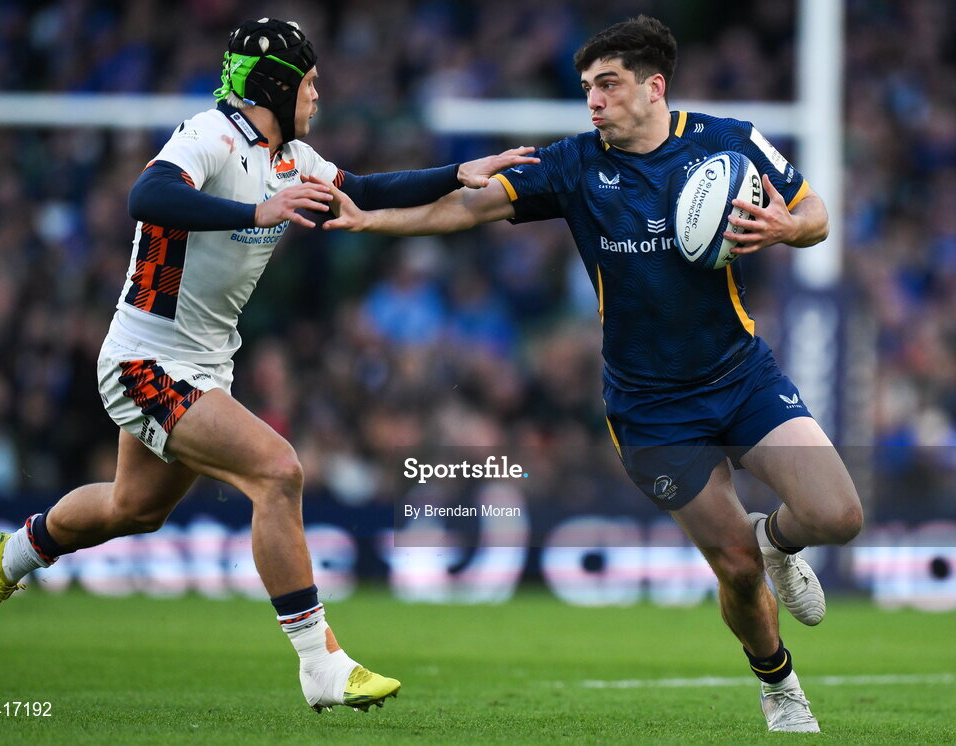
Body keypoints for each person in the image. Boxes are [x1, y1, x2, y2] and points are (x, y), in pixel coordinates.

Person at [0, 17, 538, 714]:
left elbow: (368, 187)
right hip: (147, 358)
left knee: (133, 508)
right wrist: (257, 207)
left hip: (203, 363)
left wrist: (457, 172)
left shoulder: (291, 157)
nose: (320, 94)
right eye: (311, 81)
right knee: (279, 470)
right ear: (277, 84)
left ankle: (7, 555)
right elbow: (145, 197)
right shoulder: (211, 134)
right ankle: (320, 664)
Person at [322, 15, 862, 733]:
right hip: (650, 408)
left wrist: (789, 229)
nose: (594, 101)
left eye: (607, 85)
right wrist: (372, 222)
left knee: (839, 516)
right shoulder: (577, 164)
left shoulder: (727, 140)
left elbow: (816, 211)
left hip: (741, 375)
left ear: (653, 87)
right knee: (734, 567)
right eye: (587, 88)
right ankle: (780, 684)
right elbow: (470, 206)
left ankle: (780, 542)